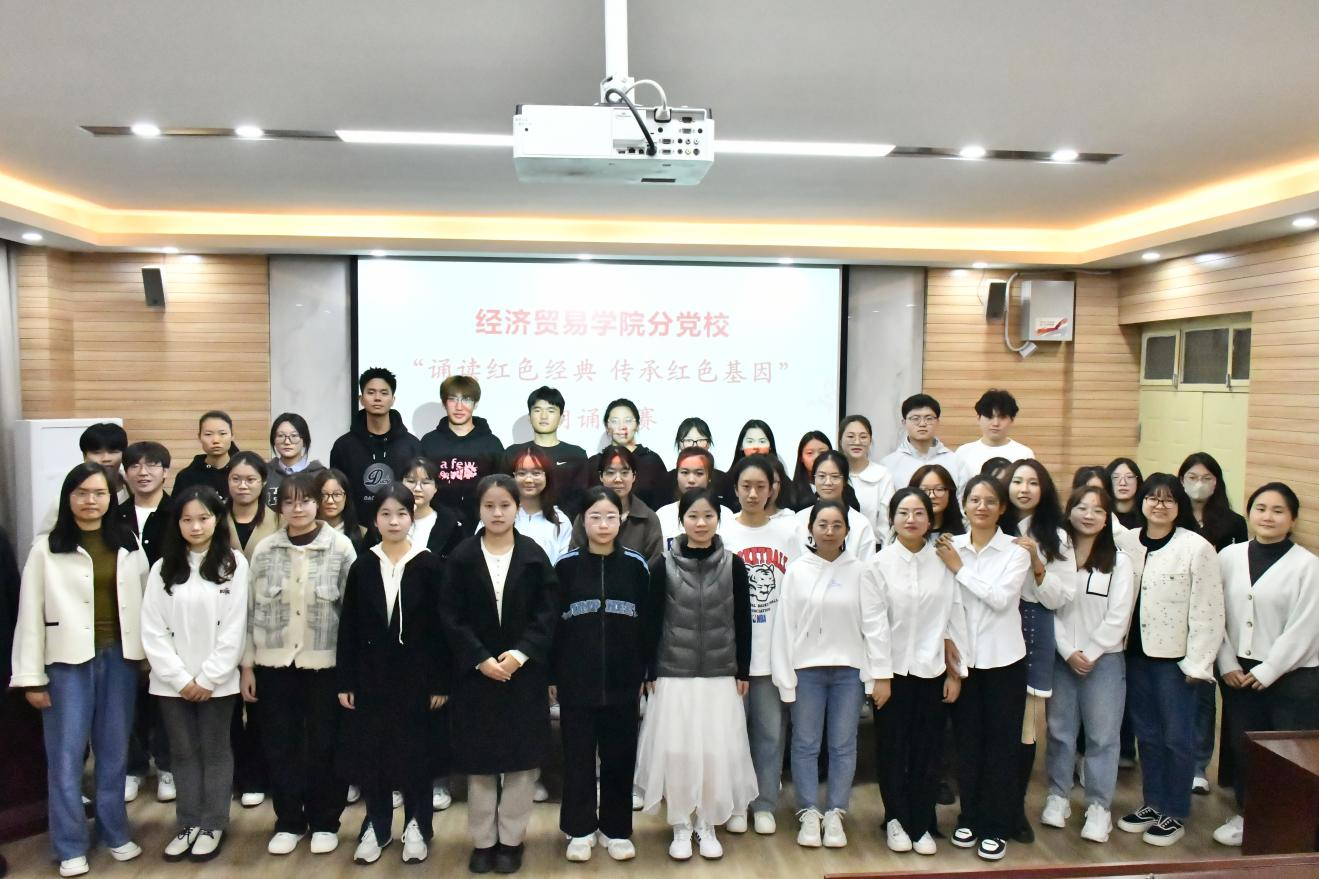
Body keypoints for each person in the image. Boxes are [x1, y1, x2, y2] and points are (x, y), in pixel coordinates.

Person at [10, 463, 149, 877]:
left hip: (120, 659)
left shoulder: (127, 542)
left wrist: (147, 656)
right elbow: (29, 616)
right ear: (68, 498)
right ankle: (70, 844)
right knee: (66, 757)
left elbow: (146, 598)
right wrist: (31, 678)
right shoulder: (46, 548)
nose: (91, 501)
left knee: (114, 751)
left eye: (100, 493)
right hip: (65, 662)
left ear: (111, 498)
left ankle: (115, 832)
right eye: (82, 493)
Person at [439, 475, 558, 875]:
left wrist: (520, 654)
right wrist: (480, 658)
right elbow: (450, 615)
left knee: (521, 763)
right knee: (481, 763)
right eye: (489, 506)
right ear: (479, 509)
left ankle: (511, 840)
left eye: (505, 505)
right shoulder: (462, 556)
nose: (497, 513)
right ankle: (483, 841)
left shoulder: (534, 555)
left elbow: (547, 614)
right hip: (476, 677)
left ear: (517, 508)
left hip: (523, 676)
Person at [242, 472, 357, 857]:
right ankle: (289, 821)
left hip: (325, 665)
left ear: (317, 503)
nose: (297, 508)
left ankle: (325, 821)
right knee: (280, 745)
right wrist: (247, 666)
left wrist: (351, 672)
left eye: (305, 500)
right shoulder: (265, 549)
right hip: (273, 665)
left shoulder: (340, 547)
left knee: (325, 745)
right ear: (279, 506)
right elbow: (249, 611)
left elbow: (353, 614)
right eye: (289, 501)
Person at [636, 488, 755, 861]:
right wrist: (649, 669)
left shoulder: (734, 565)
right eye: (693, 516)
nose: (701, 523)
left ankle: (707, 822)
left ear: (718, 519)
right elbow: (651, 621)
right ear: (681, 520)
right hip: (674, 673)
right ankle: (681, 824)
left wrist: (743, 669)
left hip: (720, 674)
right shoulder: (662, 565)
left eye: (708, 516)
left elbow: (743, 621)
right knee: (678, 751)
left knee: (715, 751)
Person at [337, 484, 448, 866]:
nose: (394, 521)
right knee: (373, 754)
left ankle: (418, 825)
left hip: (417, 678)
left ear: (411, 517)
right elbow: (349, 627)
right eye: (386, 514)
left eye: (401, 513)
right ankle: (377, 824)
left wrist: (440, 682)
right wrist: (346, 680)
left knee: (416, 754)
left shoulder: (429, 564)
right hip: (371, 677)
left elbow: (441, 630)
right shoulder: (363, 565)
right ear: (375, 520)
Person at [1114, 474, 1224, 847]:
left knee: (1177, 737)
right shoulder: (1127, 542)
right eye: (1153, 498)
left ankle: (1174, 812)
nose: (1159, 505)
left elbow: (1209, 611)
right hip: (1134, 655)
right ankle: (1153, 803)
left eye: (1168, 500)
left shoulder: (1196, 547)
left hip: (1176, 661)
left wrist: (1199, 664)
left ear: (1179, 506)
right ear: (1142, 502)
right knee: (1147, 734)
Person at [140, 486, 248, 863]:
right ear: (177, 523)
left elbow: (235, 627)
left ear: (217, 520)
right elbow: (152, 629)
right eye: (187, 519)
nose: (196, 526)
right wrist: (180, 679)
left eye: (203, 518)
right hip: (172, 683)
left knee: (215, 750)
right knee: (183, 752)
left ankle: (213, 823)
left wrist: (207, 678)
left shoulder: (234, 564)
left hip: (218, 681)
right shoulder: (162, 568)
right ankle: (188, 823)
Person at [773, 499, 889, 850]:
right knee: (805, 744)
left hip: (849, 672)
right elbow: (785, 626)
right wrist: (785, 677)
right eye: (822, 524)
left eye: (837, 525)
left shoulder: (861, 571)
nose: (829, 531)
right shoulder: (797, 570)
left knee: (842, 744)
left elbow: (874, 624)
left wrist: (879, 674)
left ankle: (836, 811)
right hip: (806, 671)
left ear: (847, 531)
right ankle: (808, 811)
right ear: (810, 529)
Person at [1212, 483, 1319, 848]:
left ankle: (1290, 825)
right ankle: (1249, 815)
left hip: (1293, 676)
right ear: (1249, 513)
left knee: (1289, 753)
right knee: (1245, 748)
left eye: (1278, 510)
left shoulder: (1308, 566)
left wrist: (1270, 668)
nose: (1268, 517)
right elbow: (1214, 613)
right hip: (1237, 673)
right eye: (1260, 508)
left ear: (1292, 519)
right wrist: (1226, 661)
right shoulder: (1229, 556)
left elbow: (1307, 626)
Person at [551, 485, 651, 862]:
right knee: (577, 758)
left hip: (624, 682)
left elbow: (649, 623)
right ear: (583, 520)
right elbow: (553, 626)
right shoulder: (565, 567)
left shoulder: (636, 566)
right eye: (595, 517)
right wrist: (552, 675)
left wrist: (646, 671)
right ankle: (579, 829)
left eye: (611, 516)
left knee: (619, 758)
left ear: (621, 519)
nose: (603, 524)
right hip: (575, 681)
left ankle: (616, 829)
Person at [870, 488, 967, 856]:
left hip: (931, 670)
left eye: (918, 513)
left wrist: (955, 674)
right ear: (892, 519)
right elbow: (874, 625)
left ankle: (923, 821)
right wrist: (880, 676)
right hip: (892, 673)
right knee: (892, 749)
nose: (911, 519)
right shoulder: (878, 564)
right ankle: (896, 818)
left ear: (930, 520)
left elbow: (954, 617)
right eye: (903, 513)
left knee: (928, 751)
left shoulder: (942, 562)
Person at [941, 475, 1032, 862]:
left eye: (990, 501)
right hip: (964, 663)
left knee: (1001, 746)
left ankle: (995, 825)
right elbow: (945, 605)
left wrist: (959, 569)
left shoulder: (1015, 551)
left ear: (1002, 508)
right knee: (967, 745)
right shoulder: (951, 546)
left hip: (1003, 661)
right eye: (975, 500)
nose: (982, 507)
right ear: (964, 506)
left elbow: (999, 599)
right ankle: (970, 817)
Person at [1041, 486, 1135, 845]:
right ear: (1069, 511)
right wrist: (1067, 651)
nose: (1089, 515)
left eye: (1098, 510)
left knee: (1102, 736)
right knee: (1060, 731)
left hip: (1104, 659)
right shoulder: (1056, 556)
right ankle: (1058, 796)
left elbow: (1119, 615)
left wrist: (1092, 652)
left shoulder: (1120, 561)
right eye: (1082, 507)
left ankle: (1098, 806)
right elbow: (1048, 606)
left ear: (1107, 518)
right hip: (1062, 658)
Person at [720, 456, 801, 835]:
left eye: (761, 487)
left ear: (773, 489)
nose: (753, 494)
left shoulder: (788, 533)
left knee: (770, 734)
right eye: (746, 486)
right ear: (735, 489)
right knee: (732, 735)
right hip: (731, 656)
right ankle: (736, 802)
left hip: (773, 654)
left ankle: (765, 802)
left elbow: (800, 591)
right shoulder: (723, 533)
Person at [1002, 458, 1077, 843]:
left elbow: (1061, 597)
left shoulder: (1057, 536)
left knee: (1025, 729)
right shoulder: (991, 523)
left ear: (1044, 489)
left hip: (1032, 627)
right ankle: (983, 805)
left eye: (1033, 482)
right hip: (992, 628)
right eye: (1017, 481)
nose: (1024, 489)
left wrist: (1036, 563)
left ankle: (1015, 808)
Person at [395, 456, 463, 814]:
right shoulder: (388, 519)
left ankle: (437, 780)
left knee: (436, 708)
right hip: (393, 629)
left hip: (437, 629)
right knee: (395, 709)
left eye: (425, 481)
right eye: (410, 480)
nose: (417, 488)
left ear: (437, 487)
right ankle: (395, 779)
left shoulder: (451, 524)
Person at [1178, 451, 1247, 794]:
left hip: (1220, 612)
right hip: (1181, 613)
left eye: (1206, 478)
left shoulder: (1233, 522)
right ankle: (1184, 762)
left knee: (1208, 696)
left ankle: (1199, 766)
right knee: (1190, 695)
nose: (1199, 484)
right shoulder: (1176, 517)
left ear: (1217, 482)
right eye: (1192, 477)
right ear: (1181, 480)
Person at [117, 441, 175, 805]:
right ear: (125, 473)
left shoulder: (178, 512)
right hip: (124, 618)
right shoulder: (113, 516)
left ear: (166, 471)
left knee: (165, 697)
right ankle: (133, 768)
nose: (143, 472)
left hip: (169, 619)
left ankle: (168, 766)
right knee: (128, 700)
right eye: (135, 465)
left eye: (152, 465)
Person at [330, 367, 423, 523]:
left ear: (393, 399)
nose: (377, 398)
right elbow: (336, 491)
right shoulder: (343, 446)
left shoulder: (412, 445)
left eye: (384, 393)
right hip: (356, 530)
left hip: (400, 528)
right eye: (371, 392)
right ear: (361, 399)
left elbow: (420, 493)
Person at [420, 375, 506, 526]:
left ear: (476, 403)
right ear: (444, 403)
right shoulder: (429, 442)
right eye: (452, 399)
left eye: (466, 399)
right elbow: (419, 487)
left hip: (481, 526)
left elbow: (503, 489)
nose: (459, 407)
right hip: (435, 526)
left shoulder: (492, 444)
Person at [569, 446, 663, 567]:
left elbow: (655, 565)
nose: (618, 479)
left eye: (624, 473)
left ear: (634, 476)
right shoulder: (587, 516)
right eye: (610, 472)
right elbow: (574, 560)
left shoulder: (648, 518)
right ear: (601, 476)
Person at [503, 386, 588, 514]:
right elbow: (503, 493)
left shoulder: (576, 455)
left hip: (564, 523)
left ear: (561, 418)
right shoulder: (512, 453)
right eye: (537, 410)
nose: (543, 416)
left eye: (551, 411)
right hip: (520, 521)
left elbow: (581, 498)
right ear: (529, 417)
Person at [580, 398, 669, 511]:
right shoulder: (595, 463)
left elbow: (663, 505)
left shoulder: (652, 461)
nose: (622, 427)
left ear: (637, 425)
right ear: (607, 427)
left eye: (628, 421)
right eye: (615, 421)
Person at [792, 451, 877, 560]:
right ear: (813, 479)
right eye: (821, 476)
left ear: (845, 480)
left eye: (835, 476)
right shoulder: (799, 519)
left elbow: (867, 566)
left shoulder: (861, 523)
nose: (828, 482)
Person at [654, 447, 734, 549]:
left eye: (699, 473)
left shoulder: (726, 515)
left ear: (709, 477)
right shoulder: (662, 515)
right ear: (677, 475)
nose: (691, 480)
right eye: (685, 472)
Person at [882, 394, 966, 490]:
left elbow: (962, 497)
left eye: (929, 418)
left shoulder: (955, 462)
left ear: (938, 422)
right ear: (904, 422)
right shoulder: (888, 464)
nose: (922, 424)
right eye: (915, 419)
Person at [505, 446, 572, 565]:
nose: (528, 480)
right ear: (513, 476)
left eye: (536, 473)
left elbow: (564, 566)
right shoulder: (499, 515)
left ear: (547, 476)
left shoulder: (561, 520)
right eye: (522, 473)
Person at [839, 415, 896, 541]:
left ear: (870, 440)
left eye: (863, 437)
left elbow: (886, 524)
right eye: (850, 436)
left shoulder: (882, 475)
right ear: (840, 440)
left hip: (873, 547)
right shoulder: (832, 474)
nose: (857, 442)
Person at [954, 389, 1034, 479]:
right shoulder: (963, 453)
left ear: (1012, 420)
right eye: (989, 417)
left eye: (1002, 417)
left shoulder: (1024, 454)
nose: (995, 423)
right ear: (978, 418)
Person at [264, 413, 326, 510]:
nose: (287, 442)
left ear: (304, 440)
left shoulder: (320, 475)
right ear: (274, 440)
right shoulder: (264, 473)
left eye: (294, 436)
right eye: (281, 436)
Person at [665, 417, 731, 508]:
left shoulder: (724, 480)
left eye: (701, 440)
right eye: (688, 441)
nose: (695, 446)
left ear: (708, 444)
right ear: (679, 444)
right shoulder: (666, 482)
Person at [226, 452, 281, 561]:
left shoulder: (280, 521)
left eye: (250, 480)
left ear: (263, 482)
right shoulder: (215, 520)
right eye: (236, 479)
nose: (242, 486)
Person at [174, 411, 239, 500]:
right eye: (208, 434)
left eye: (222, 434)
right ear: (199, 437)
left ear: (232, 436)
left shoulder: (244, 472)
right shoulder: (186, 477)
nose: (216, 440)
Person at [314, 468, 367, 554]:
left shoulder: (363, 534)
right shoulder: (304, 530)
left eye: (337, 494)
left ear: (346, 497)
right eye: (324, 494)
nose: (330, 501)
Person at [912, 464, 966, 539]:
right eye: (924, 490)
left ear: (950, 493)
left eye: (939, 489)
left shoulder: (966, 525)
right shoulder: (905, 527)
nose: (932, 496)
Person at [789, 431, 832, 510]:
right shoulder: (790, 492)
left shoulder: (842, 487)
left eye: (822, 452)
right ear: (801, 458)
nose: (816, 457)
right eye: (810, 453)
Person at [1106, 458, 1144, 531]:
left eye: (1129, 477)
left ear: (1138, 481)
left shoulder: (1147, 516)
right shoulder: (1102, 515)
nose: (1123, 483)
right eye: (1115, 477)